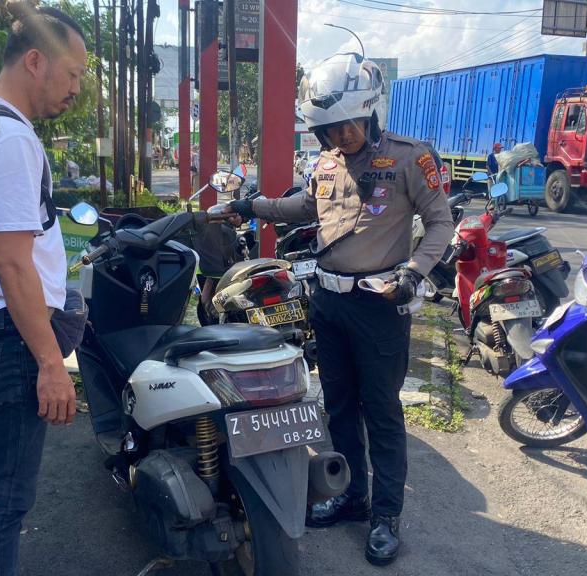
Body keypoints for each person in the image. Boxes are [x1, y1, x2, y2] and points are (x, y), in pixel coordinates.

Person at [225, 53, 453, 567]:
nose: (340, 136)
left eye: (347, 124)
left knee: (383, 414)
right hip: (328, 303)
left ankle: (386, 516)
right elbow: (306, 208)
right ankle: (354, 497)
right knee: (339, 408)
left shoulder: (409, 158)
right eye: (329, 129)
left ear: (371, 112)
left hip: (379, 306)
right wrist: (252, 206)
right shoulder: (326, 161)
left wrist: (413, 273)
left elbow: (440, 222)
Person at [0, 3, 87, 575]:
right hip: (11, 342)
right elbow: (12, 264)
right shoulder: (10, 139)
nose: (77, 88)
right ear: (36, 61)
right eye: (73, 73)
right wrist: (52, 365)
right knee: (4, 507)